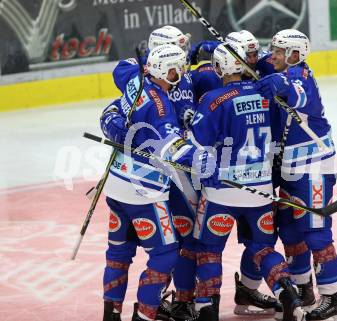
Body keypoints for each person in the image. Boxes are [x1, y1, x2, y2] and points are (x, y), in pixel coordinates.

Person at [189, 43, 305, 321]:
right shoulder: (266, 94)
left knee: (208, 250)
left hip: (222, 193)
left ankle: (207, 308)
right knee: (264, 248)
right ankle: (288, 296)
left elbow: (196, 145)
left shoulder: (213, 99)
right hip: (261, 189)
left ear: (219, 68)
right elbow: (279, 133)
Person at [100, 44, 211, 321]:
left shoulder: (136, 79)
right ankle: (145, 316)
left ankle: (110, 316)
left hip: (116, 185)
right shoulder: (162, 106)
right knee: (165, 255)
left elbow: (111, 109)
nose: (182, 73)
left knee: (118, 253)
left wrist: (114, 125)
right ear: (167, 70)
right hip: (144, 192)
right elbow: (170, 148)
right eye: (178, 69)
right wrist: (202, 160)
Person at [256, 29, 337, 320]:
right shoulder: (284, 70)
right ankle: (303, 287)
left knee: (315, 232)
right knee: (290, 230)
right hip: (289, 168)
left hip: (314, 167)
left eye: (279, 52)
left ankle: (332, 299)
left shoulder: (301, 78)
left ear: (295, 55)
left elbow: (295, 92)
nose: (273, 56)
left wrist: (280, 83)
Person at [225, 30, 283, 317]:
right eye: (246, 55)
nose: (253, 59)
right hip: (219, 177)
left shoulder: (263, 72)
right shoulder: (212, 78)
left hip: (259, 173)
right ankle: (193, 302)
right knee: (202, 246)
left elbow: (288, 69)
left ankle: (247, 291)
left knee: (260, 242)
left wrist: (278, 76)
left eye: (254, 53)